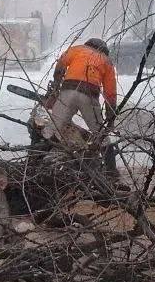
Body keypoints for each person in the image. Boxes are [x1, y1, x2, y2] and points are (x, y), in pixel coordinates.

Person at [48, 38, 123, 181]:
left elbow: (60, 65)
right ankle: (111, 171)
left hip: (67, 91)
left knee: (53, 130)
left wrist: (55, 88)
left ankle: (40, 160)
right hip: (88, 95)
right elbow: (110, 94)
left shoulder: (77, 49)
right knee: (100, 135)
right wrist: (110, 119)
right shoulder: (106, 61)